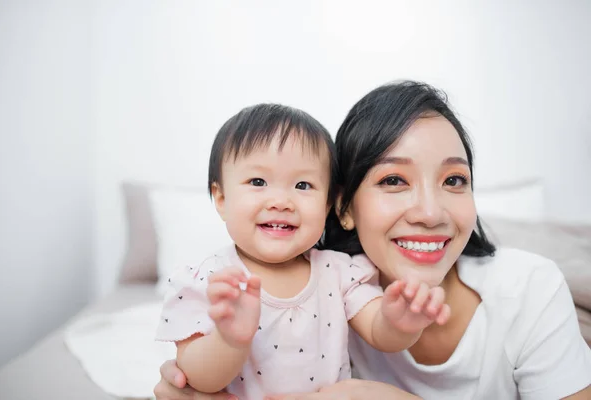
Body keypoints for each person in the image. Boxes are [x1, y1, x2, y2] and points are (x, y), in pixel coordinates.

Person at [154, 82, 591, 400]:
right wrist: (219, 354)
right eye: (394, 179)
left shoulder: (529, 287)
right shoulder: (223, 283)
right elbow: (201, 374)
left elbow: (382, 326)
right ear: (343, 207)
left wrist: (398, 332)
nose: (429, 212)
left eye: (454, 179)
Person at [154, 103, 450, 399]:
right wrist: (229, 340)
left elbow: (377, 329)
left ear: (328, 204)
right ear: (221, 198)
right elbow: (195, 380)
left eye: (303, 184)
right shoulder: (210, 281)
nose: (281, 201)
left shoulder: (338, 272)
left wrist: (400, 323)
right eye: (258, 182)